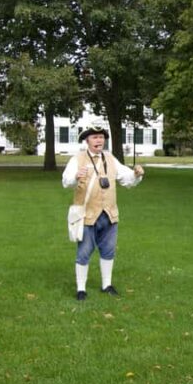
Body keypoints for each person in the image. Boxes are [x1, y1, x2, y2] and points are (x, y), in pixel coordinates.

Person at [62, 125, 144, 301]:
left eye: (101, 137)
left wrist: (136, 174)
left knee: (108, 250)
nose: (99, 140)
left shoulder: (110, 158)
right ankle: (81, 289)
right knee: (84, 252)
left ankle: (106, 285)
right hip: (87, 214)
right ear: (87, 141)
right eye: (95, 137)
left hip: (109, 213)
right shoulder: (77, 159)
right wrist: (76, 176)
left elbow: (127, 179)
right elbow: (66, 181)